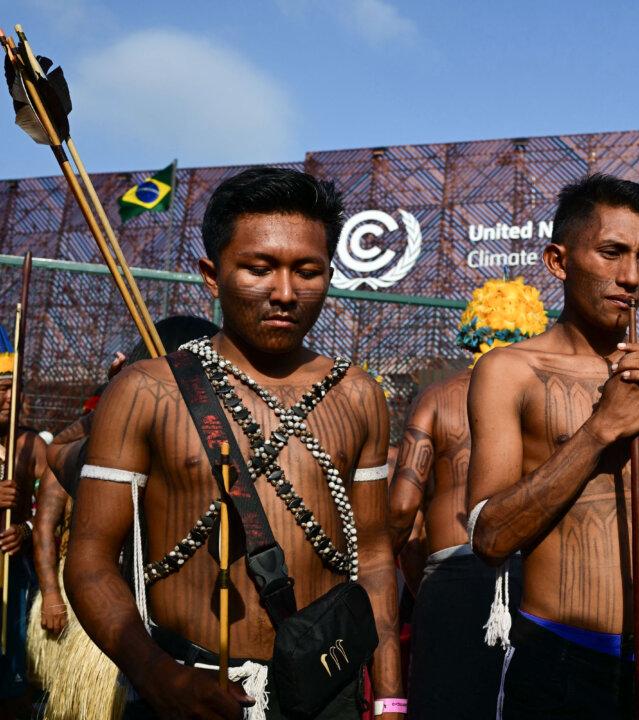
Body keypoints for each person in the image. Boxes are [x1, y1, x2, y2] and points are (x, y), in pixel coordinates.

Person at [65, 167, 404, 719]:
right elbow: (90, 561)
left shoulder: (357, 393)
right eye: (259, 268)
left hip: (325, 690)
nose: (286, 293)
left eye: (308, 271)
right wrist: (156, 675)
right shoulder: (147, 390)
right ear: (211, 274)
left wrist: (389, 696)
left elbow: (375, 557)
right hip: (187, 691)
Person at [468, 174, 639, 719]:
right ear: (558, 261)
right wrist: (598, 431)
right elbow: (490, 536)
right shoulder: (511, 371)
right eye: (612, 253)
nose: (630, 277)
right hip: (559, 659)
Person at [29, 316, 219, 720]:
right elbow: (53, 485)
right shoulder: (106, 452)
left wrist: (125, 394)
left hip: (177, 636)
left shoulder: (199, 455)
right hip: (116, 626)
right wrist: (50, 593)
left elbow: (60, 447)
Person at [388, 277, 547, 719]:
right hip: (530, 573)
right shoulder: (541, 398)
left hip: (450, 576)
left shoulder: (436, 399)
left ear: (472, 328)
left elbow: (401, 508)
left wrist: (417, 584)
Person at [0, 327, 53, 720]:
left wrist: (25, 530)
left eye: (11, 386)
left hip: (17, 578)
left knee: (16, 686)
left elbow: (54, 517)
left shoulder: (33, 447)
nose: (6, 396)